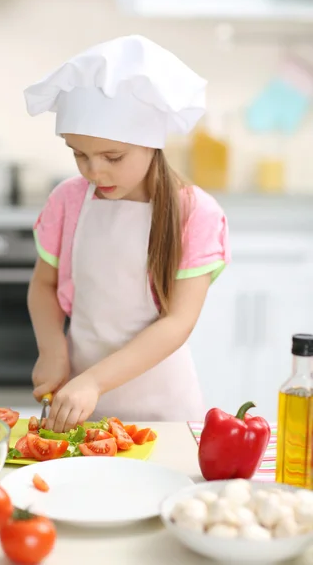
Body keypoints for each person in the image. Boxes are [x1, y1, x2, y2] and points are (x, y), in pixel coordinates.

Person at [25, 35, 230, 433]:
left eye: (112, 157)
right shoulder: (68, 200)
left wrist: (95, 381)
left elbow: (178, 322)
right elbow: (43, 284)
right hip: (79, 406)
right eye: (79, 153)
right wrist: (52, 350)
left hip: (163, 412)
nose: (93, 172)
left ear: (152, 144)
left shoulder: (195, 214)